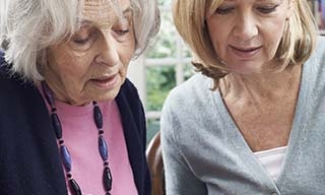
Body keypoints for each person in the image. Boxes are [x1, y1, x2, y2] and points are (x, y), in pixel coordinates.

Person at [161, 0, 325, 194]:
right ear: (198, 15)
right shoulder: (183, 112)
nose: (247, 32)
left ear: (291, 5)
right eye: (224, 10)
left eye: (266, 9)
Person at [0, 0, 159, 194]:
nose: (112, 57)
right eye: (81, 37)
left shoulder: (126, 99)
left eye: (122, 29)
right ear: (37, 40)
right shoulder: (6, 106)